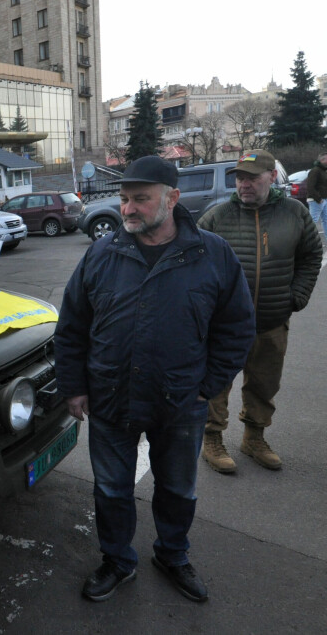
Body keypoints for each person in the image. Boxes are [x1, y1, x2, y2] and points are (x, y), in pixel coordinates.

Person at [54, 155, 255, 603]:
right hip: (110, 399)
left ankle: (173, 554)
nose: (128, 209)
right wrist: (74, 386)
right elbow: (71, 326)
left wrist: (208, 385)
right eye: (124, 199)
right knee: (110, 489)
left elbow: (238, 327)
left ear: (172, 198)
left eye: (140, 200)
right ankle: (117, 561)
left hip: (180, 402)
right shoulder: (102, 253)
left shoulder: (211, 253)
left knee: (179, 488)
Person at [198, 149, 323, 472]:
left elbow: (311, 255)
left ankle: (254, 437)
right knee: (216, 386)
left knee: (265, 384)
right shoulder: (217, 217)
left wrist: (296, 296)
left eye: (252, 178)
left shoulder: (294, 213)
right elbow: (193, 263)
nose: (244, 185)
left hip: (271, 320)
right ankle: (212, 439)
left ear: (271, 177)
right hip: (224, 327)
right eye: (239, 178)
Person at [305, 152, 327, 236]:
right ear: (322, 160)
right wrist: (319, 199)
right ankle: (306, 240)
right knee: (312, 222)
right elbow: (310, 187)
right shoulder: (315, 171)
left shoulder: (323, 171)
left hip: (324, 199)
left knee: (326, 221)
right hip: (316, 200)